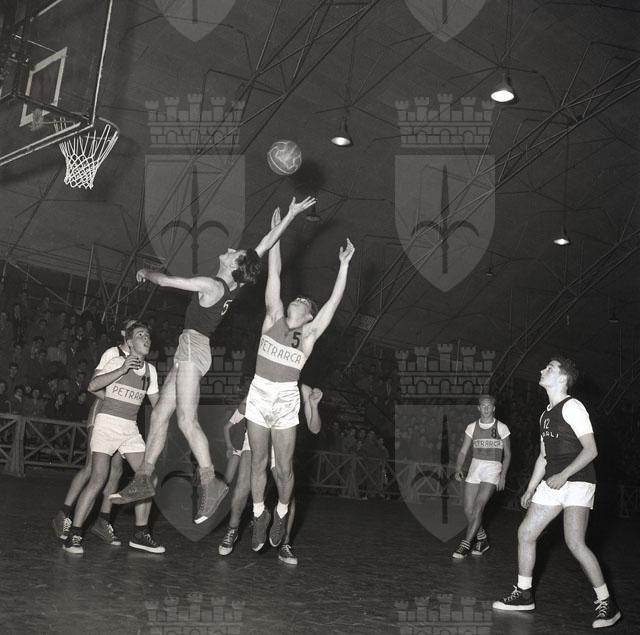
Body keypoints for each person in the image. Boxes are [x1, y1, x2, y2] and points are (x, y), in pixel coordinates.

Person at [110, 197, 317, 524]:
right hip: (191, 347)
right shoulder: (235, 280)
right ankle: (144, 478)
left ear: (234, 265)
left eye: (235, 253)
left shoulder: (212, 285)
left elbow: (165, 281)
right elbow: (263, 247)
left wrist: (144, 271)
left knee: (185, 420)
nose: (232, 249)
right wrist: (289, 216)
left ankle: (211, 482)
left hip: (194, 347)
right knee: (161, 413)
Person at [246, 208, 354, 552]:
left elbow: (333, 303)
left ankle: (281, 513)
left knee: (284, 470)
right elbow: (274, 270)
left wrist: (344, 266)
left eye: (305, 302)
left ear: (308, 316)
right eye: (298, 297)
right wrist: (277, 232)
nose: (299, 299)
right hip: (259, 392)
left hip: (285, 398)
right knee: (258, 462)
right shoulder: (273, 317)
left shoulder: (308, 336)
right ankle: (259, 514)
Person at [493, 357, 621, 630]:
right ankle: (524, 594)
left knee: (575, 542)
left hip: (578, 482)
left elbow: (591, 450)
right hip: (552, 482)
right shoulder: (545, 414)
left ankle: (607, 603)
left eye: (549, 368)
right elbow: (543, 456)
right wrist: (530, 488)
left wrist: (563, 475)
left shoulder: (573, 407)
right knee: (526, 533)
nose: (542, 369)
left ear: (562, 378)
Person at [62, 322, 163, 555]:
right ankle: (74, 534)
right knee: (98, 478)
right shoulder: (117, 361)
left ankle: (140, 533)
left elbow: (158, 406)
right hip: (107, 424)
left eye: (148, 336)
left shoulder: (151, 371)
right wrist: (122, 369)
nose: (146, 339)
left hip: (129, 428)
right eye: (140, 335)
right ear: (129, 343)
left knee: (149, 477)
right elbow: (92, 385)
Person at [51, 319, 137, 545]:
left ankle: (103, 520)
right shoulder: (112, 353)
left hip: (121, 420)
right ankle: (64, 513)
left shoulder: (139, 360)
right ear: (124, 333)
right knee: (93, 468)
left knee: (116, 471)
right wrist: (115, 402)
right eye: (132, 328)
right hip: (102, 413)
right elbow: (94, 385)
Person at [218, 384, 322, 564]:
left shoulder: (303, 389)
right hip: (258, 436)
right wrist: (250, 404)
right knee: (242, 486)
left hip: (281, 439)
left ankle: (285, 544)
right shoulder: (264, 378)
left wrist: (313, 405)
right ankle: (232, 530)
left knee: (288, 495)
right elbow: (242, 409)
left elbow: (315, 429)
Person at [452, 394, 511, 558]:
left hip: (493, 468)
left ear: (493, 408)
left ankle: (465, 544)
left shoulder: (502, 427)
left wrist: (503, 476)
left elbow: (508, 454)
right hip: (475, 466)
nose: (486, 409)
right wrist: (458, 468)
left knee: (478, 506)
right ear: (478, 408)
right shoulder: (472, 427)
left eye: (489, 406)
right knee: (468, 509)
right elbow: (463, 451)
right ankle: (482, 538)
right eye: (483, 406)